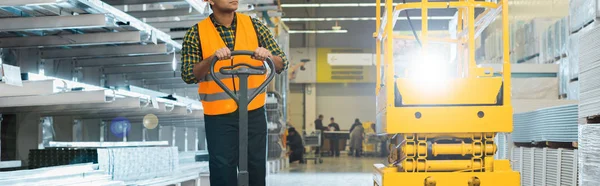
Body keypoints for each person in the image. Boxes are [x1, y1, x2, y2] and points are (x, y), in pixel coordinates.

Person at [180, 0, 288, 185]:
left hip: (253, 111)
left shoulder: (255, 26)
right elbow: (189, 74)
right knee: (222, 170)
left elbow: (281, 63)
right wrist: (211, 59)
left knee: (255, 168)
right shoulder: (196, 33)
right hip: (219, 116)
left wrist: (268, 55)